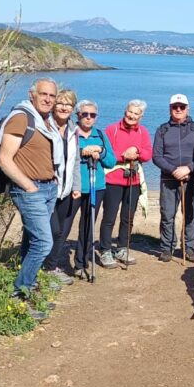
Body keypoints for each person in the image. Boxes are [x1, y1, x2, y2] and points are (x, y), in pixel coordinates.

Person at [0, 78, 63, 320]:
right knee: (44, 243)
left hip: (47, 188)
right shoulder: (21, 118)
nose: (48, 99)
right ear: (31, 94)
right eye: (43, 94)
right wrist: (28, 186)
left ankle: (28, 288)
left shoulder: (45, 121)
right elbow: (4, 159)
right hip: (30, 189)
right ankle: (19, 294)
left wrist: (53, 179)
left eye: (52, 96)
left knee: (32, 240)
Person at [99, 99, 152, 268]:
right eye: (130, 112)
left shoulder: (143, 132)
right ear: (125, 111)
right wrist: (123, 156)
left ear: (141, 116)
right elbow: (105, 154)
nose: (132, 116)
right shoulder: (112, 129)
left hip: (133, 180)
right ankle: (105, 250)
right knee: (109, 217)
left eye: (136, 114)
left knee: (128, 218)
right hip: (113, 180)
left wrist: (137, 151)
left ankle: (122, 248)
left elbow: (148, 154)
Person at [152, 93, 194, 263]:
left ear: (188, 108)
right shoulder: (162, 129)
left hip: (190, 178)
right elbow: (156, 156)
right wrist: (173, 170)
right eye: (175, 107)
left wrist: (189, 168)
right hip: (169, 179)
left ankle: (189, 247)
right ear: (170, 108)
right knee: (167, 215)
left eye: (182, 107)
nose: (178, 109)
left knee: (190, 215)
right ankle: (167, 247)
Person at [41, 88, 82, 284]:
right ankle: (41, 267)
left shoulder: (73, 130)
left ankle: (50, 267)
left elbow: (75, 161)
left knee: (61, 232)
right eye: (61, 103)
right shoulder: (44, 126)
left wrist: (76, 186)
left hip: (66, 190)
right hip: (47, 188)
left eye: (69, 104)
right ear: (53, 105)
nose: (64, 107)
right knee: (52, 231)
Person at [72, 99, 116, 275]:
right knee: (63, 227)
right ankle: (51, 264)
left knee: (88, 226)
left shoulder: (100, 135)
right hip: (74, 187)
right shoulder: (71, 132)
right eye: (85, 114)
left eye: (92, 115)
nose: (89, 118)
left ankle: (81, 263)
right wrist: (82, 151)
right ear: (78, 115)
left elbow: (111, 162)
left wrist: (101, 152)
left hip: (96, 187)